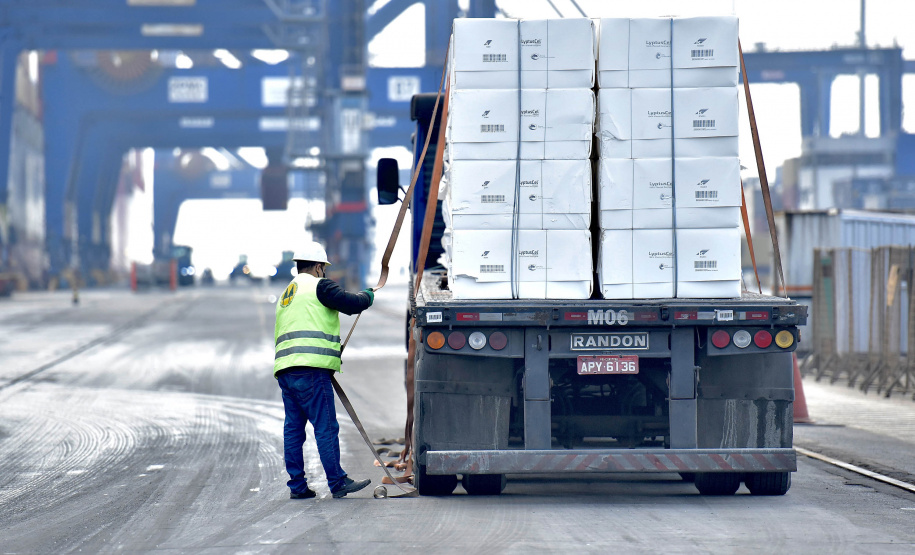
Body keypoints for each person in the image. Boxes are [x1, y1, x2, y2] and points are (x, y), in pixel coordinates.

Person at [273, 241, 375, 499]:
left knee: (294, 429)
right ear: (319, 267)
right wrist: (369, 295)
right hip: (311, 371)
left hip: (286, 371)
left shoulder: (288, 293)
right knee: (326, 426)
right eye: (324, 269)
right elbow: (351, 303)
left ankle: (297, 487)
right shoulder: (319, 286)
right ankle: (337, 482)